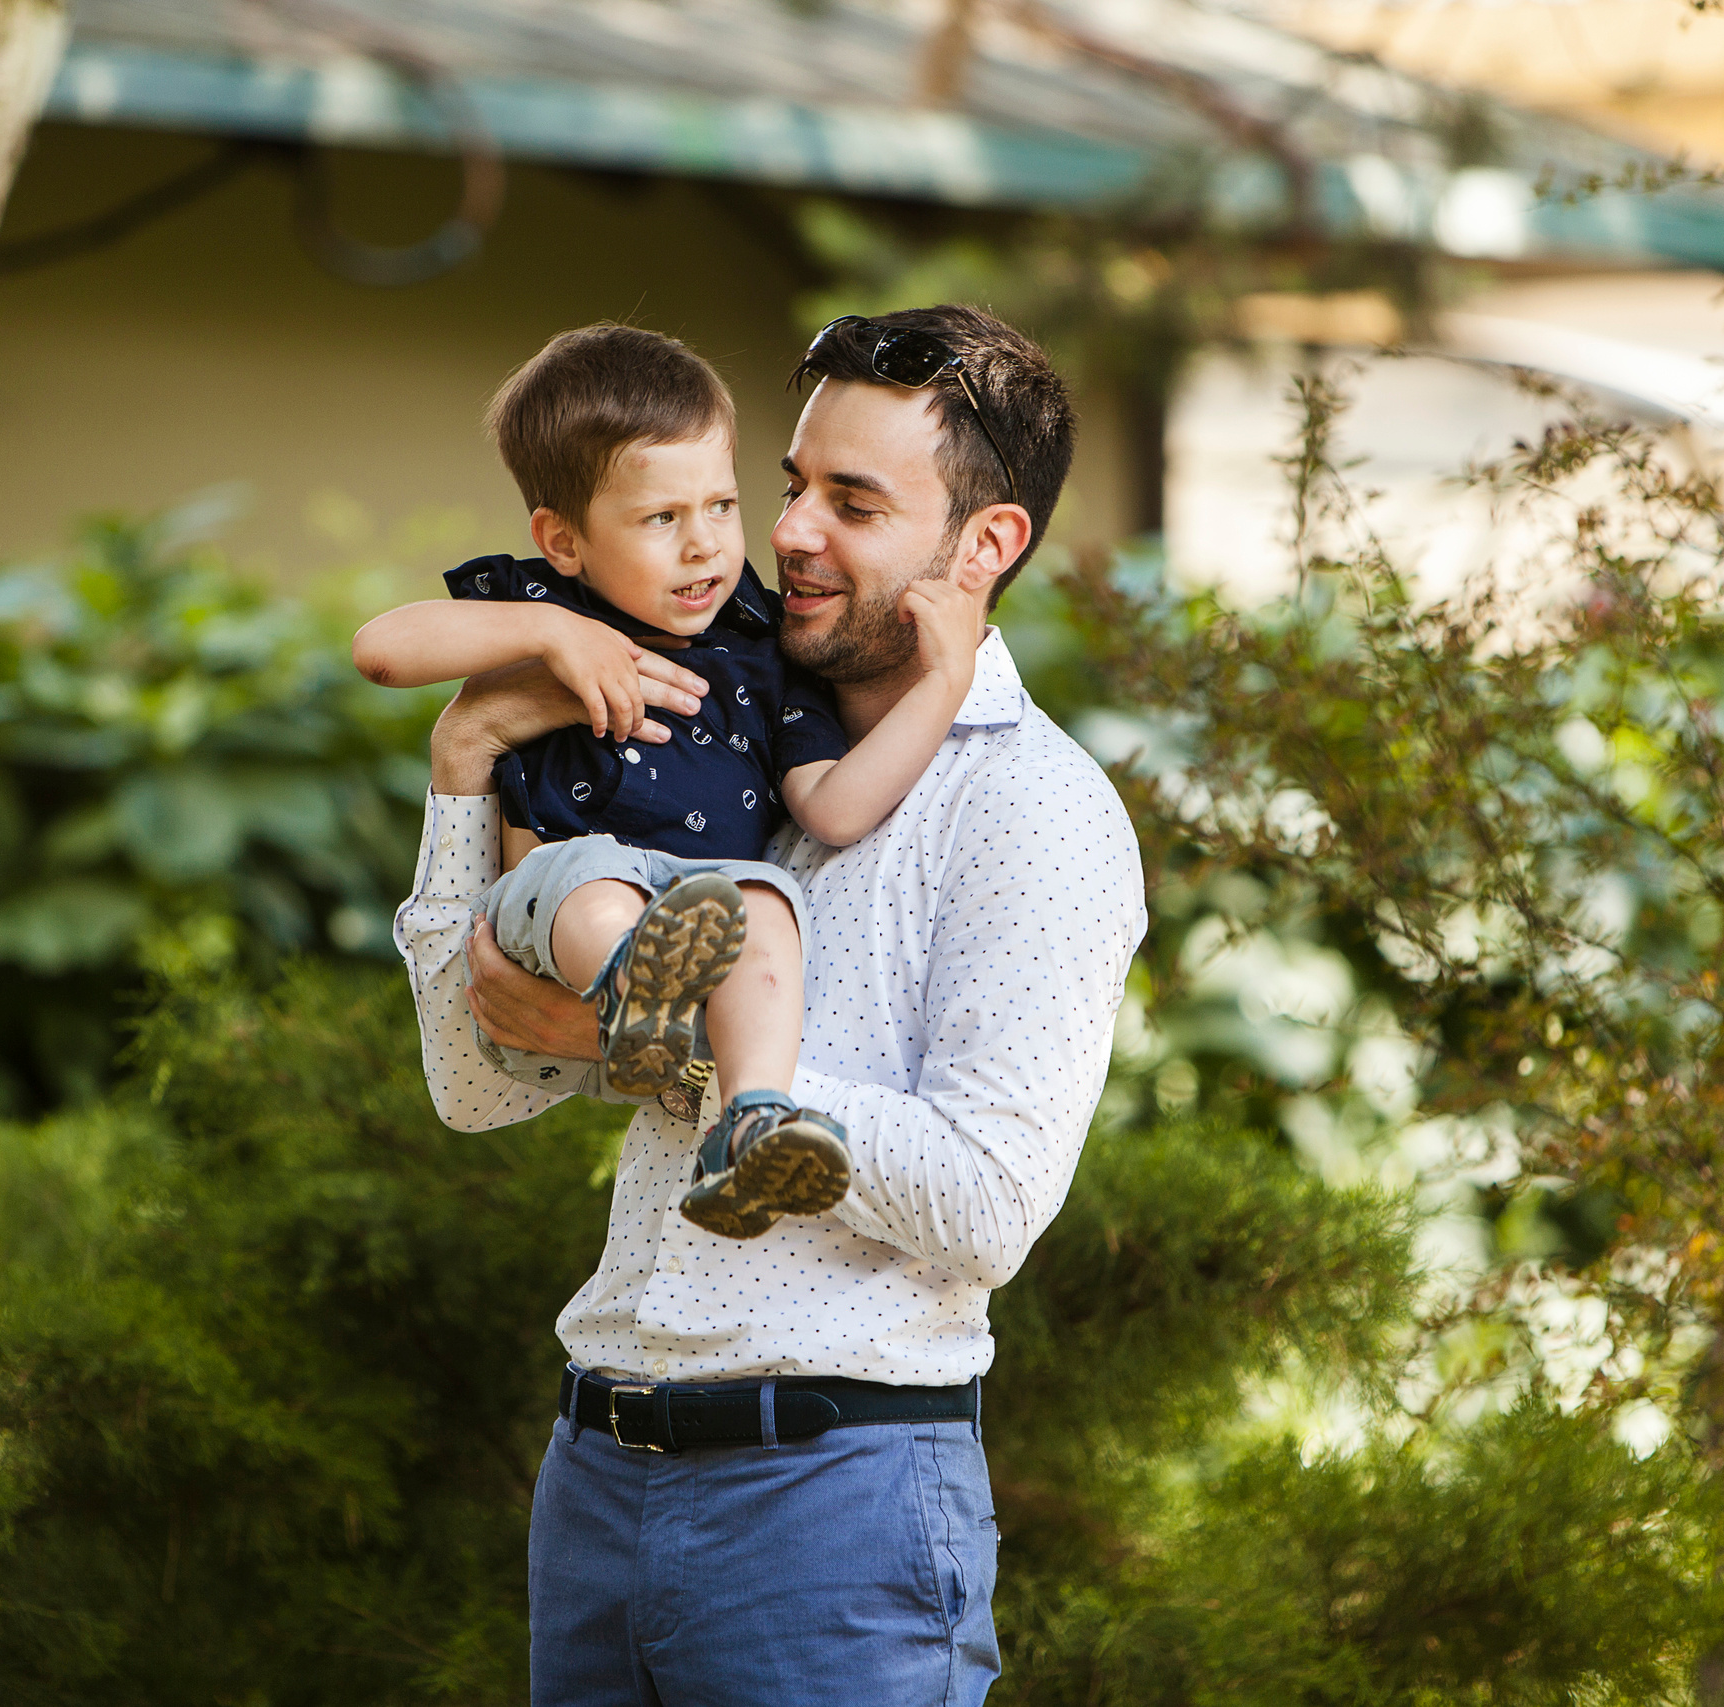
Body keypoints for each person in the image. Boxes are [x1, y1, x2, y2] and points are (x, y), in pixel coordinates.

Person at [395, 306, 1145, 1705]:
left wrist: (673, 1054)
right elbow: (476, 1080)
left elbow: (989, 1201)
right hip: (599, 1476)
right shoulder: (702, 706)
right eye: (792, 483)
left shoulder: (1033, 809)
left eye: (853, 502)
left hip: (833, 1502)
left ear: (984, 549)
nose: (789, 532)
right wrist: (464, 759)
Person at [353, 324, 991, 1237]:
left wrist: (943, 685)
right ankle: (630, 988)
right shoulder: (549, 607)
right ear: (563, 540)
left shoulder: (763, 651)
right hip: (557, 898)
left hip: (702, 900)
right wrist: (547, 637)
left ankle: (754, 1119)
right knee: (594, 884)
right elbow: (380, 651)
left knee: (768, 904)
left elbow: (837, 807)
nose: (705, 546)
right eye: (662, 519)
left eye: (724, 506)